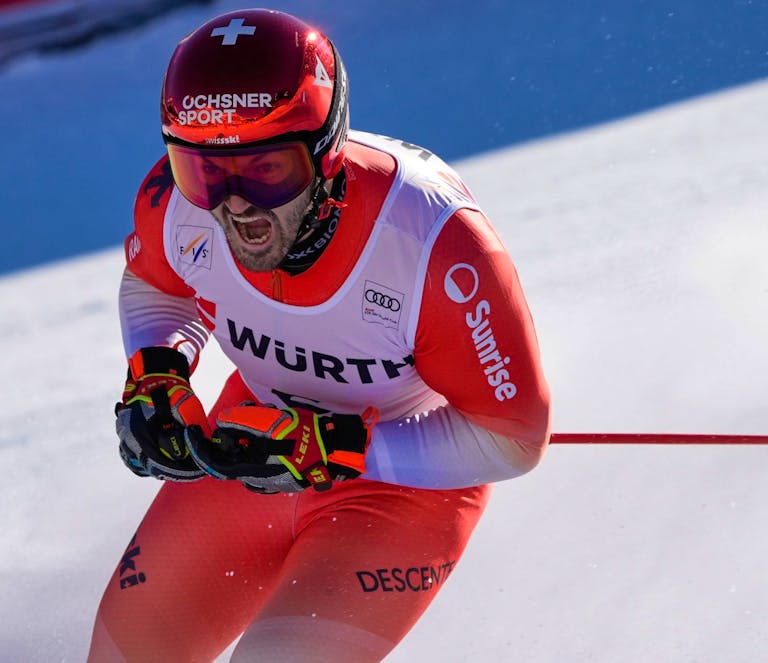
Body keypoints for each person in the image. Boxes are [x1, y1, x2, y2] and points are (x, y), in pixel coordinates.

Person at [86, 8, 552, 662]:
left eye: (269, 171)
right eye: (205, 172)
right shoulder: (175, 204)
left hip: (401, 492)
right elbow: (158, 285)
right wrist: (158, 372)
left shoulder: (438, 248)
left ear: (327, 151)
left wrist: (343, 448)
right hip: (249, 442)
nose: (234, 203)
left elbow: (513, 439)